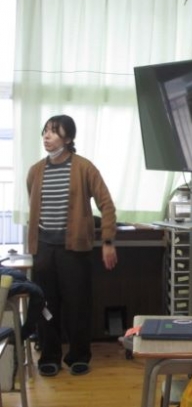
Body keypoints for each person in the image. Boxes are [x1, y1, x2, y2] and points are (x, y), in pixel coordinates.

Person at [27, 114, 117, 377]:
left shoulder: (84, 167)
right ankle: (49, 355)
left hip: (74, 250)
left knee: (78, 305)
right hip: (44, 249)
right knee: (46, 304)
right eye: (45, 131)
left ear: (68, 138)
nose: (47, 136)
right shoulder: (35, 171)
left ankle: (78, 356)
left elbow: (106, 205)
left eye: (54, 131)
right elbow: (34, 204)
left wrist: (108, 241)